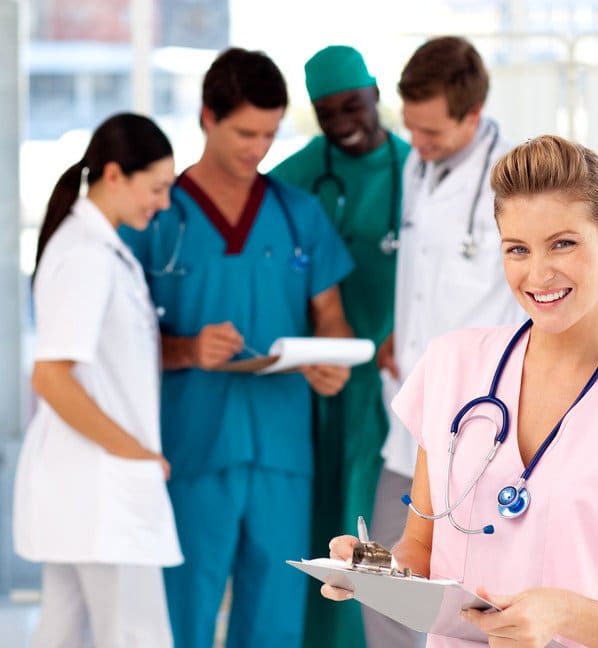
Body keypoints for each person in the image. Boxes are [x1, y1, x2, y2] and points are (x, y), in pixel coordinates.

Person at [324, 135, 598, 647]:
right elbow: (420, 547)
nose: (538, 274)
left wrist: (563, 614)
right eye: (517, 249)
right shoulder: (451, 366)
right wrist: (372, 570)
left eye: (563, 243)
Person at [120, 47, 354, 648]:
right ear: (206, 117)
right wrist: (186, 351)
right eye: (245, 133)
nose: (258, 149)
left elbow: (332, 318)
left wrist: (331, 360)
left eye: (270, 135)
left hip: (281, 453)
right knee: (183, 616)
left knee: (275, 622)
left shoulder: (297, 213)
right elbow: (114, 346)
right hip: (190, 449)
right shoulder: (155, 215)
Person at [368, 35, 524, 647]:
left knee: (472, 600)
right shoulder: (417, 164)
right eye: (412, 128)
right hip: (409, 413)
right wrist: (400, 333)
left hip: (481, 419)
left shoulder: (510, 181)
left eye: (431, 131)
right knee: (379, 582)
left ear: (472, 116)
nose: (419, 143)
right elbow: (427, 277)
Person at [13, 112, 181, 647]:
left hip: (89, 490)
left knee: (63, 634)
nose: (163, 203)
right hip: (101, 488)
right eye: (156, 188)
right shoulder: (87, 254)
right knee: (136, 636)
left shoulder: (99, 247)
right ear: (114, 175)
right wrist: (135, 452)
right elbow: (52, 379)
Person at [270, 44, 411, 648]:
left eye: (353, 104)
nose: (344, 120)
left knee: (377, 529)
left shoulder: (419, 172)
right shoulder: (293, 178)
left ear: (376, 94)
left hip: (392, 380)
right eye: (328, 112)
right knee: (315, 527)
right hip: (313, 379)